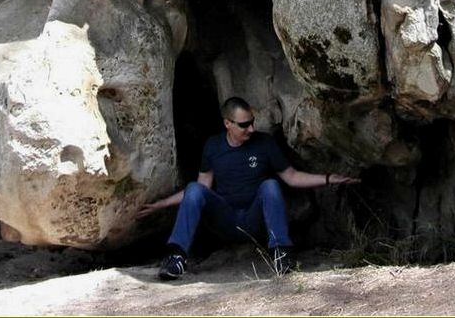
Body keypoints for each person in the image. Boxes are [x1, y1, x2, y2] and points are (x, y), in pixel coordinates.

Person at [137, 96, 359, 280]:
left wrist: (329, 178)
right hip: (225, 219)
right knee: (194, 187)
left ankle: (281, 253)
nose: (251, 128)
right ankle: (176, 257)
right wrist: (161, 204)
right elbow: (201, 188)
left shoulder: (264, 143)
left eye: (252, 122)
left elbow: (291, 177)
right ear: (228, 124)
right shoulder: (213, 146)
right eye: (244, 124)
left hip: (255, 219)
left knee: (270, 185)